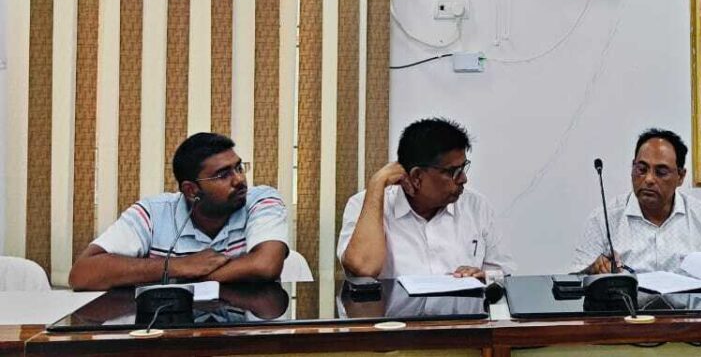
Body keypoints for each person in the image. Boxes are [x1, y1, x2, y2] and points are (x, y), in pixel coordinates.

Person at [69, 132, 289, 290]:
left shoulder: (261, 200)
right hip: (169, 329)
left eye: (239, 168)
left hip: (240, 330)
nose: (239, 179)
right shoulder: (153, 213)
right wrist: (177, 266)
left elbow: (265, 265)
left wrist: (187, 280)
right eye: (223, 175)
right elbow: (82, 274)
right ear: (191, 190)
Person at [338, 118, 514, 281]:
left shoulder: (476, 207)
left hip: (464, 307)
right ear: (416, 176)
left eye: (463, 168)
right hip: (394, 307)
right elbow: (364, 269)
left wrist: (484, 276)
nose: (463, 179)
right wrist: (377, 183)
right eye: (453, 172)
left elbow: (504, 275)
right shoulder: (364, 205)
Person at [572, 128, 701, 275]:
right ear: (632, 168)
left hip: (689, 310)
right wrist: (593, 270)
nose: (649, 179)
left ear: (680, 177)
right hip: (624, 310)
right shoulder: (603, 219)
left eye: (661, 172)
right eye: (641, 169)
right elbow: (573, 281)